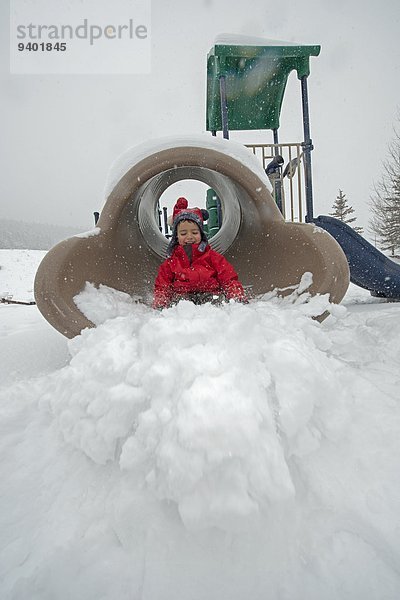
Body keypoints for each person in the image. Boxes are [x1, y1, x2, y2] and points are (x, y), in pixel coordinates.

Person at [153, 197, 247, 309]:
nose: (189, 237)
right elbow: (163, 285)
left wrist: (236, 296)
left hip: (210, 294)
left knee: (217, 302)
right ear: (176, 237)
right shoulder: (172, 261)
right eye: (183, 233)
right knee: (179, 304)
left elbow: (228, 278)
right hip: (183, 297)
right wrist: (161, 301)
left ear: (201, 234)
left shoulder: (212, 257)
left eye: (194, 232)